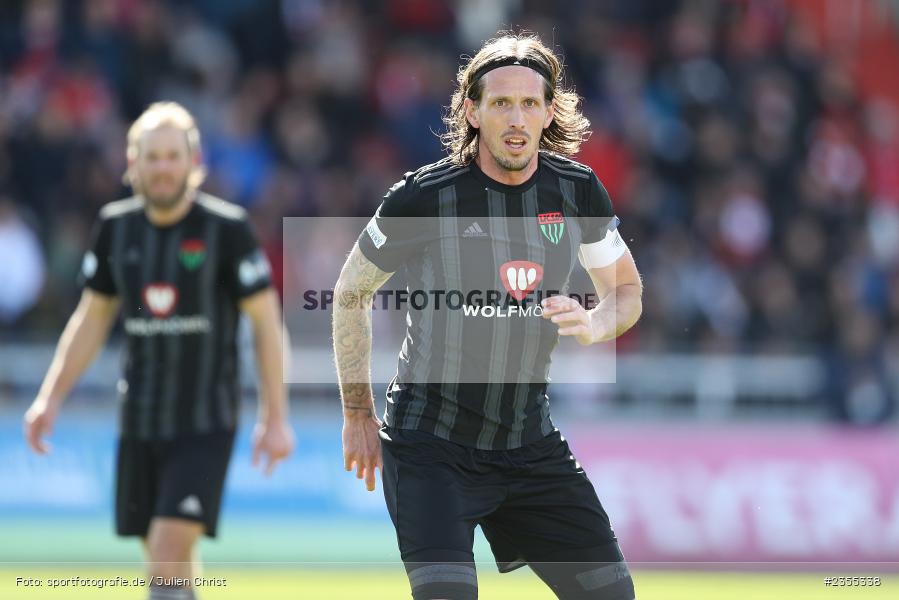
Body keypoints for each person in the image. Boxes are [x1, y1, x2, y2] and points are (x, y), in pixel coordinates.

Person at [333, 33, 642, 600]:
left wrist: (598, 323)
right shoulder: (424, 197)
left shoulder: (577, 191)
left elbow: (626, 291)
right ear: (472, 111)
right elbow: (351, 293)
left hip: (529, 443)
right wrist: (357, 411)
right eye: (501, 103)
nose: (516, 118)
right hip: (430, 446)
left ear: (548, 112)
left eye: (529, 103)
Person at [23, 102, 294, 600]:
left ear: (194, 162)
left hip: (204, 422)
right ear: (133, 163)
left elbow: (266, 324)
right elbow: (91, 318)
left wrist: (274, 416)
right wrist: (50, 397)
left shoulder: (227, 229)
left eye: (173, 156)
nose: (163, 167)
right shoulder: (115, 226)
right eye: (152, 157)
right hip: (139, 419)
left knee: (166, 558)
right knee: (170, 566)